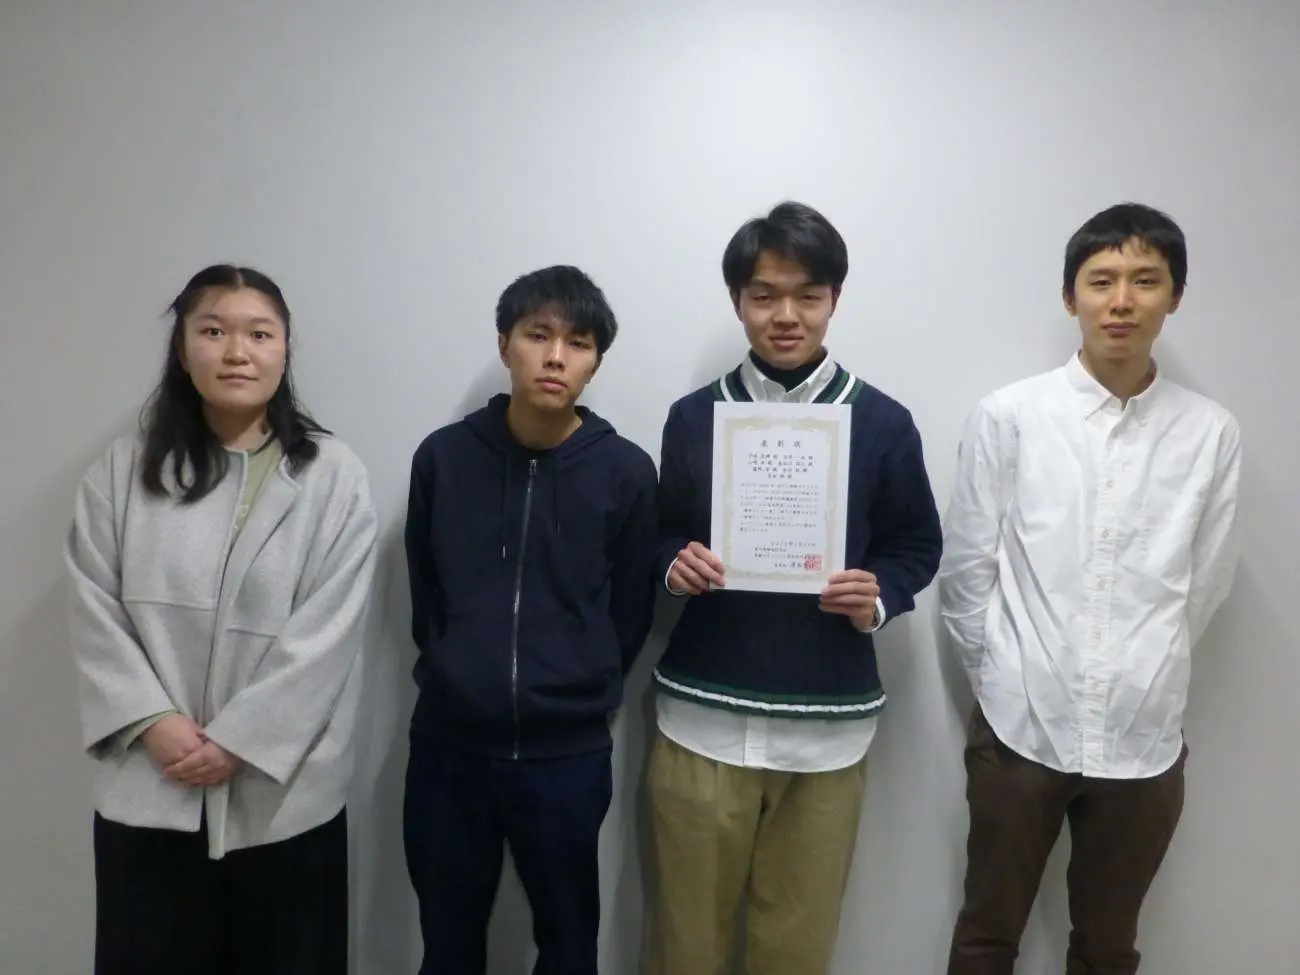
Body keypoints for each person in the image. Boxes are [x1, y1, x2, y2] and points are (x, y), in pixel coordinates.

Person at [939, 203, 1242, 974]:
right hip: (1021, 724)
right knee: (985, 937)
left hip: (1143, 733)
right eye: (1101, 280)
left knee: (1108, 948)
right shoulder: (1011, 415)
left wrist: (1144, 667)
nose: (1122, 301)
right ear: (1069, 295)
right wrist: (1005, 679)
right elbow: (967, 572)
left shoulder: (1210, 432)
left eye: (1146, 280)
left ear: (1175, 296)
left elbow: (1205, 580)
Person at [646, 201, 944, 975]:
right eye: (764, 295)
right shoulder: (695, 417)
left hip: (826, 728)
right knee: (686, 944)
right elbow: (658, 529)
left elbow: (916, 543)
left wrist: (878, 595)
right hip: (703, 717)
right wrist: (674, 561)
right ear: (737, 300)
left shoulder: (882, 422)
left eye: (807, 295)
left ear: (834, 299)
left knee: (797, 949)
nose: (786, 315)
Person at [65, 264, 379, 975]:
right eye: (213, 331)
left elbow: (328, 634)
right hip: (153, 785)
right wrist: (154, 722)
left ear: (285, 350)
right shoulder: (121, 472)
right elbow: (93, 609)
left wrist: (242, 739)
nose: (237, 352)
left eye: (259, 334)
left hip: (283, 800)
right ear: (183, 350)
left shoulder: (333, 476)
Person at [402, 264, 659, 975]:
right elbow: (426, 593)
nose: (555, 357)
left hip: (566, 755)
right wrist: (459, 670)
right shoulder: (445, 458)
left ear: (595, 361)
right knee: (447, 943)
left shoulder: (626, 472)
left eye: (577, 343)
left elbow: (630, 611)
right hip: (450, 749)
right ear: (504, 344)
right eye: (537, 335)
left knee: (569, 944)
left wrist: (581, 679)